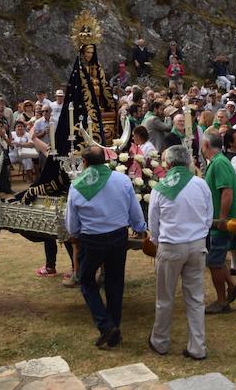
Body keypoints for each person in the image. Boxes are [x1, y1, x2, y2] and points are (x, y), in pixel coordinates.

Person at [65, 146, 147, 348]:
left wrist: (75, 235)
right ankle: (113, 326)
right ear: (105, 159)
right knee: (114, 281)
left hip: (91, 238)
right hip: (118, 235)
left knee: (86, 280)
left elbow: (72, 224)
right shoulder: (121, 180)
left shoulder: (77, 185)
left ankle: (106, 325)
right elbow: (134, 210)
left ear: (84, 163)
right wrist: (140, 228)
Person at [147, 145, 212, 360]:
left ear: (168, 163)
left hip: (170, 245)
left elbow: (153, 225)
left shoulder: (159, 187)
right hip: (196, 244)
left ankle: (160, 341)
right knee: (195, 299)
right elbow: (208, 217)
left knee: (164, 298)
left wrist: (158, 242)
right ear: (188, 162)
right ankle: (198, 346)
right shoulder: (200, 184)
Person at [200, 131, 236, 314]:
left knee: (215, 262)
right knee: (217, 259)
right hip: (218, 220)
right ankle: (233, 287)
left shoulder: (219, 163)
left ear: (207, 146)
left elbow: (227, 192)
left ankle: (221, 301)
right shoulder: (219, 162)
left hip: (221, 222)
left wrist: (222, 218)